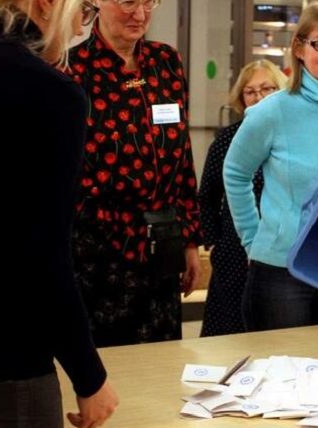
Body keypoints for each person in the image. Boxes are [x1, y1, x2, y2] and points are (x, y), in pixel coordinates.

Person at [0, 1, 118, 428]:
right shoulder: (49, 93)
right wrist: (89, 377)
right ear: (47, 4)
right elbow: (42, 256)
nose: (80, 29)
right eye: (84, 11)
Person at [68, 0, 203, 347]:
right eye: (128, 1)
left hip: (162, 243)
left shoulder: (166, 62)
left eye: (148, 2)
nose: (140, 14)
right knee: (109, 362)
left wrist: (189, 239)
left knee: (162, 360)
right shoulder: (72, 70)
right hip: (99, 251)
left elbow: (182, 156)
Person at [223, 2, 318, 331]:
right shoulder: (272, 111)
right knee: (281, 362)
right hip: (280, 270)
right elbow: (235, 173)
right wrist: (252, 239)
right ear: (299, 49)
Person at [199, 60, 287, 337]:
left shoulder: (291, 137)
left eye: (267, 89)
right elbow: (207, 195)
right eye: (250, 91)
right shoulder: (226, 139)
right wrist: (214, 242)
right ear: (241, 98)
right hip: (233, 250)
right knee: (229, 332)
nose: (258, 97)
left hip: (279, 248)